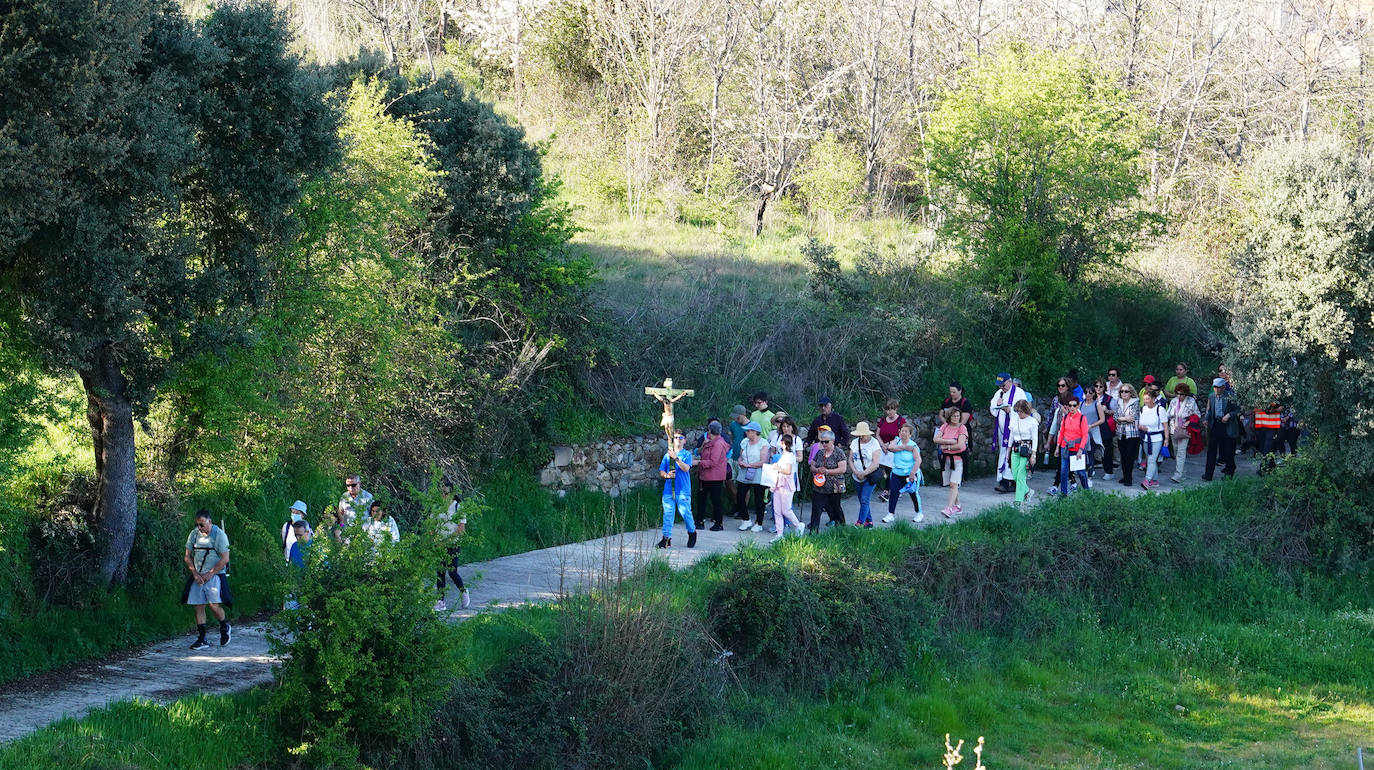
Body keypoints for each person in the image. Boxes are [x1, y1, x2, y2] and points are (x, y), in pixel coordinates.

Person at [183, 509, 231, 650]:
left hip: (214, 575)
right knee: (198, 605)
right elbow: (187, 556)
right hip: (198, 576)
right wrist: (195, 574)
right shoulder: (194, 534)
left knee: (213, 605)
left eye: (202, 524)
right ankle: (202, 638)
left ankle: (224, 625)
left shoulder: (219, 536)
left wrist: (210, 574)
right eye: (198, 524)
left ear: (209, 521)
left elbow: (225, 558)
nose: (200, 528)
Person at [657, 432, 696, 548]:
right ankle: (666, 539)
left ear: (685, 440)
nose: (678, 439)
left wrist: (676, 458)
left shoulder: (686, 455)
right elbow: (661, 471)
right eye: (676, 437)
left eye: (681, 437)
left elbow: (686, 468)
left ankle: (692, 532)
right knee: (668, 514)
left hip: (682, 490)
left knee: (685, 513)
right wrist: (667, 476)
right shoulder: (667, 456)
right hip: (669, 490)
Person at [990, 373, 1027, 493]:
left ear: (1010, 382)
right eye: (1000, 386)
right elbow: (992, 408)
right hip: (1003, 431)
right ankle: (1004, 481)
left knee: (1014, 455)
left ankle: (1013, 482)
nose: (1002, 388)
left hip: (1016, 431)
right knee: (1004, 453)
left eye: (1004, 385)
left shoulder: (1019, 393)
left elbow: (1024, 410)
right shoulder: (999, 393)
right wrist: (998, 405)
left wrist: (1010, 410)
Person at [435, 484, 471, 610]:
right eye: (441, 492)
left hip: (453, 544)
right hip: (439, 545)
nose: (443, 495)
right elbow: (432, 525)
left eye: (445, 493)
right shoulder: (436, 507)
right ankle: (440, 601)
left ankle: (463, 591)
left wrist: (447, 541)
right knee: (440, 572)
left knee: (452, 571)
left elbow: (461, 528)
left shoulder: (457, 507)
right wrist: (434, 540)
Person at [766, 434, 806, 542]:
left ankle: (798, 525)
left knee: (786, 510)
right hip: (778, 484)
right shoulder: (783, 455)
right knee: (777, 510)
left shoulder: (789, 456)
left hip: (786, 485)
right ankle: (779, 534)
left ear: (783, 443)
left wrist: (777, 467)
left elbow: (788, 471)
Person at [808, 427, 848, 529]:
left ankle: (841, 529)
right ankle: (813, 532)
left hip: (835, 486)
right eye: (822, 442)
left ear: (833, 441)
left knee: (835, 508)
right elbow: (812, 465)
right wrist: (817, 470)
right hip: (820, 486)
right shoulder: (820, 453)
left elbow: (842, 469)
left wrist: (827, 471)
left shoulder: (839, 452)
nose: (824, 444)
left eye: (826, 442)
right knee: (816, 509)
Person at [933, 408, 968, 517]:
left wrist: (946, 446)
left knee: (954, 484)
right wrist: (950, 441)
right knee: (951, 485)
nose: (956, 418)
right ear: (949, 416)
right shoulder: (945, 426)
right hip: (946, 459)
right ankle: (958, 506)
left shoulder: (962, 428)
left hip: (958, 460)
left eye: (958, 416)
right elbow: (936, 439)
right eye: (953, 416)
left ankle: (949, 508)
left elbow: (960, 445)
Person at [734, 421, 768, 532]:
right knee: (740, 496)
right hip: (745, 472)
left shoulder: (763, 443)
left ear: (755, 432)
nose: (746, 432)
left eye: (748, 431)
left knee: (759, 499)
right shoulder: (744, 442)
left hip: (758, 473)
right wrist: (740, 462)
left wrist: (749, 465)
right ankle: (745, 519)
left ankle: (759, 522)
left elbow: (763, 461)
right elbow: (740, 456)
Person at [885, 422, 923, 523]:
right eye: (902, 431)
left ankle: (919, 513)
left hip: (910, 474)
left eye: (906, 432)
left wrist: (912, 473)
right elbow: (890, 448)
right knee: (893, 492)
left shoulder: (913, 446)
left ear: (910, 434)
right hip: (897, 473)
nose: (903, 433)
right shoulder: (897, 441)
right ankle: (890, 514)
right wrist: (904, 447)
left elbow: (918, 460)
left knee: (913, 493)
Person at [1203, 377, 1240, 480]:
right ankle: (1208, 474)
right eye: (1215, 387)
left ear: (1223, 387)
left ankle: (1229, 473)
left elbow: (1238, 409)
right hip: (1215, 424)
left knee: (1229, 450)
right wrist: (1206, 419)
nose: (1217, 389)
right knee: (1211, 451)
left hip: (1227, 426)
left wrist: (1228, 415)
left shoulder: (1230, 396)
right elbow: (1209, 410)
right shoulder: (1211, 397)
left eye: (1219, 387)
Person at [849, 422, 884, 528]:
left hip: (869, 476)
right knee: (862, 500)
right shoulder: (855, 442)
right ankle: (869, 522)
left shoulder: (874, 443)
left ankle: (860, 522)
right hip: (857, 476)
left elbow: (875, 463)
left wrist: (864, 473)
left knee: (865, 499)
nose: (861, 437)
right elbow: (850, 459)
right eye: (859, 435)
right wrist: (855, 472)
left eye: (863, 435)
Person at [1054, 396, 1091, 496]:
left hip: (1077, 449)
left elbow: (1085, 436)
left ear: (1078, 405)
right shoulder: (1065, 417)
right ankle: (1063, 494)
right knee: (1063, 472)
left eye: (1074, 405)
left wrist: (1080, 450)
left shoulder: (1082, 418)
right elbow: (1061, 432)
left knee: (1081, 473)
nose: (1072, 408)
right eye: (1070, 405)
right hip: (1065, 448)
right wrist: (1058, 447)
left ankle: (1087, 492)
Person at [697, 421, 730, 531]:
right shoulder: (710, 442)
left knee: (716, 500)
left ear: (710, 431)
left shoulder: (718, 444)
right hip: (705, 476)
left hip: (715, 477)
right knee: (702, 498)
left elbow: (713, 461)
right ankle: (699, 521)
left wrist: (698, 463)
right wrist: (703, 445)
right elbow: (700, 453)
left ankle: (718, 523)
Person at [1008, 400, 1039, 506]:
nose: (1019, 414)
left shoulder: (1032, 422)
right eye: (1018, 411)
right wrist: (1008, 450)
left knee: (1021, 475)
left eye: (1021, 411)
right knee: (1015, 475)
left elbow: (1035, 438)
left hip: (1027, 449)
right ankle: (1028, 491)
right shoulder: (1014, 420)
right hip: (1015, 448)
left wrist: (1033, 455)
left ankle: (1018, 501)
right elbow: (1011, 436)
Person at [1167, 383, 1200, 483]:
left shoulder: (1191, 401)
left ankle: (1178, 475)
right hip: (1173, 429)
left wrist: (1189, 422)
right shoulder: (1173, 401)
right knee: (1176, 451)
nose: (1179, 396)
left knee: (1181, 452)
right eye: (1177, 393)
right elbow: (1168, 414)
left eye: (1181, 394)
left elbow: (1197, 414)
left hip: (1185, 430)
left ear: (1186, 394)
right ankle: (1182, 472)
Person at [875, 399, 906, 503]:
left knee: (892, 471)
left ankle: (887, 491)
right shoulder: (883, 420)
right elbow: (878, 434)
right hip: (883, 449)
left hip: (894, 449)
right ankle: (890, 489)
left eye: (891, 410)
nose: (889, 412)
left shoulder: (900, 421)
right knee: (886, 471)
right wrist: (882, 444)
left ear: (896, 409)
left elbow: (901, 435)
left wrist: (888, 444)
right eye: (887, 410)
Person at [1138, 390, 1168, 489]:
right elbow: (1139, 423)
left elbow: (1165, 425)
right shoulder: (1143, 409)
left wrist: (1166, 439)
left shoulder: (1160, 410)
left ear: (1154, 399)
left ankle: (1147, 480)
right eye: (1144, 399)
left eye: (1148, 399)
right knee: (1151, 460)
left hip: (1157, 438)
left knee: (1151, 460)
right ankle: (1155, 481)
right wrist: (1141, 427)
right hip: (1146, 438)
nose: (1146, 401)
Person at [1114, 384, 1141, 486]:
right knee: (1123, 457)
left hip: (1132, 434)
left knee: (1130, 457)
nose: (1123, 393)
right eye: (1122, 391)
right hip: (1121, 433)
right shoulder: (1118, 402)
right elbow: (1115, 416)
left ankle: (1129, 479)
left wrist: (1120, 419)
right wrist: (1124, 418)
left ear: (1131, 393)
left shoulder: (1136, 402)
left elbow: (1132, 418)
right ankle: (1125, 476)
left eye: (1126, 391)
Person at [725, 405, 748, 508]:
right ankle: (737, 504)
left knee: (744, 484)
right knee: (728, 480)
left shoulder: (751, 426)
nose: (736, 419)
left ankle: (743, 508)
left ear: (744, 415)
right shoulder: (733, 425)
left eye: (738, 417)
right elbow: (731, 438)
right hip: (733, 457)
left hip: (745, 459)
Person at [1094, 377, 1117, 481]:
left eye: (1100, 386)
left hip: (1105, 426)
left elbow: (1116, 412)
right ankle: (1088, 469)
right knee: (1090, 448)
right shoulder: (1090, 397)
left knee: (1106, 449)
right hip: (1093, 425)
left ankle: (1109, 471)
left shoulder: (1109, 399)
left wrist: (1106, 410)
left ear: (1104, 388)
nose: (1098, 388)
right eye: (1096, 386)